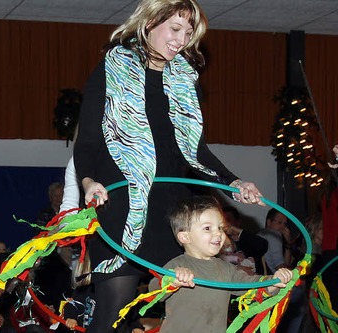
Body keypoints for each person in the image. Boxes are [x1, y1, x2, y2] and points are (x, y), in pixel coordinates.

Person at [71, 1, 266, 331]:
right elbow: (87, 139)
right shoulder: (114, 68)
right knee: (112, 315)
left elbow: (195, 150)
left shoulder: (183, 81)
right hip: (123, 206)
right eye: (175, 29)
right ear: (148, 24)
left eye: (189, 33)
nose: (182, 39)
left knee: (193, 303)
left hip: (170, 210)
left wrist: (234, 182)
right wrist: (89, 183)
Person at [148, 196, 292, 332]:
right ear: (185, 237)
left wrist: (273, 282)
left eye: (220, 228)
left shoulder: (225, 268)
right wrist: (172, 281)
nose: (218, 234)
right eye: (207, 228)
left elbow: (251, 284)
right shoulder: (177, 266)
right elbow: (153, 290)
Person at [220, 206, 268, 274]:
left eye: (228, 220)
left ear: (237, 221)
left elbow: (263, 245)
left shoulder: (247, 240)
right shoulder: (219, 243)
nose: (225, 224)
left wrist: (238, 231)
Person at [257, 208, 293, 274]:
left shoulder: (261, 234)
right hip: (271, 278)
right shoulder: (273, 235)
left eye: (285, 224)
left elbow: (285, 263)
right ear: (269, 222)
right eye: (279, 222)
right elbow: (280, 267)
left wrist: (288, 243)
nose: (283, 227)